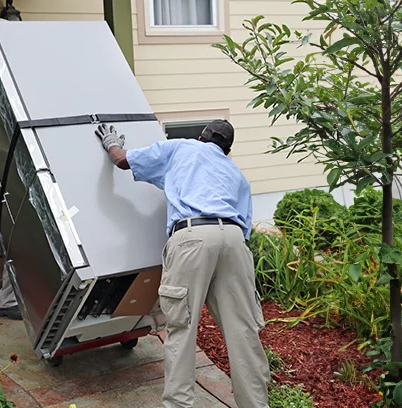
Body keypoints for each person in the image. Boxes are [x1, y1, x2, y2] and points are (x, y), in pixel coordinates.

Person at [94, 120, 270, 408]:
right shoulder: (236, 174)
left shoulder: (181, 147)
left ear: (201, 137)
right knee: (243, 331)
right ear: (227, 149)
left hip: (193, 236)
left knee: (182, 329)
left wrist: (111, 142)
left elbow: (123, 161)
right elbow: (244, 227)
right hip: (235, 241)